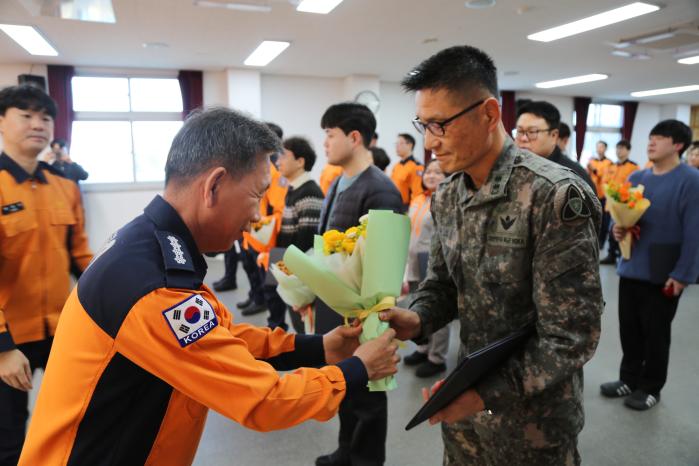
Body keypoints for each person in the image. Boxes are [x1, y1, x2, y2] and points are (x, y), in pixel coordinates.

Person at [18, 107, 400, 466]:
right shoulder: (154, 287)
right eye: (256, 196)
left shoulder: (152, 244)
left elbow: (219, 337)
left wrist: (318, 347)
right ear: (214, 185)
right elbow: (265, 400)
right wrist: (357, 370)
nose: (256, 216)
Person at [380, 45, 603, 465]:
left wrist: (484, 394)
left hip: (535, 424)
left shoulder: (553, 195)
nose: (430, 143)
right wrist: (418, 317)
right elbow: (444, 285)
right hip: (465, 414)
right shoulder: (448, 195)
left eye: (440, 125)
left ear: (488, 113)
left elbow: (572, 336)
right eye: (423, 125)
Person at [0, 85, 93, 466]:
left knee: (71, 423)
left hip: (61, 329)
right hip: (9, 337)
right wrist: (3, 348)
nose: (38, 124)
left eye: (46, 117)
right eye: (26, 115)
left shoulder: (65, 185)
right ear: (2, 123)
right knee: (8, 438)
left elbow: (80, 256)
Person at [315, 102, 403, 466]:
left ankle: (365, 460)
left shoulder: (380, 189)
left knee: (367, 394)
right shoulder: (338, 181)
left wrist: (369, 316)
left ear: (354, 137)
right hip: (335, 305)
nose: (325, 144)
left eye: (330, 135)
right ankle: (346, 451)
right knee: (344, 385)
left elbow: (383, 264)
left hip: (363, 312)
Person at [600, 120, 699, 411]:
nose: (651, 141)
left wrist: (682, 275)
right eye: (651, 136)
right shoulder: (637, 177)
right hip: (632, 266)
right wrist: (617, 232)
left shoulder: (691, 180)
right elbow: (625, 221)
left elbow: (695, 233)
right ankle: (628, 378)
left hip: (664, 270)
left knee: (656, 334)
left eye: (660, 137)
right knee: (629, 329)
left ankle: (651, 386)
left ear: (678, 145)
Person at [402, 159, 450, 378]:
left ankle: (437, 357)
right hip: (413, 262)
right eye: (428, 172)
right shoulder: (418, 199)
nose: (431, 175)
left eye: (437, 172)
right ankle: (423, 348)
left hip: (434, 263)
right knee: (417, 306)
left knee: (436, 306)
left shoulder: (447, 199)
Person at [274, 136, 325, 332]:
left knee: (306, 326)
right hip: (289, 268)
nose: (278, 161)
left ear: (300, 161)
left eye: (283, 156)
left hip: (299, 273)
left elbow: (306, 242)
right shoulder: (294, 189)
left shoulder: (309, 192)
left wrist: (290, 272)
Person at [514, 100, 595, 192]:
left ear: (553, 135)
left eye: (532, 132)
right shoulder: (512, 167)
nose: (524, 138)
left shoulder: (573, 177)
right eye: (520, 131)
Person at [599, 140, 639, 265]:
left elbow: (634, 187)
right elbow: (605, 183)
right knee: (611, 230)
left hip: (625, 206)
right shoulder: (611, 166)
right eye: (617, 148)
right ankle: (611, 255)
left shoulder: (634, 167)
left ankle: (623, 255)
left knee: (624, 231)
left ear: (628, 150)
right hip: (611, 204)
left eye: (622, 148)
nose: (619, 151)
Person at [587, 140, 613, 249]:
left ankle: (601, 241)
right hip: (592, 193)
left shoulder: (609, 163)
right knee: (591, 218)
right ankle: (591, 240)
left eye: (602, 147)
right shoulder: (591, 161)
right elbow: (587, 175)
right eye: (598, 147)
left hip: (603, 195)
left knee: (603, 220)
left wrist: (594, 170)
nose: (599, 149)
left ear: (605, 149)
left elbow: (605, 178)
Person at [390, 133, 424, 208]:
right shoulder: (396, 166)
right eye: (396, 143)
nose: (397, 146)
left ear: (410, 145)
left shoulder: (417, 167)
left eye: (400, 143)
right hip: (394, 206)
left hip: (406, 208)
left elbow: (418, 194)